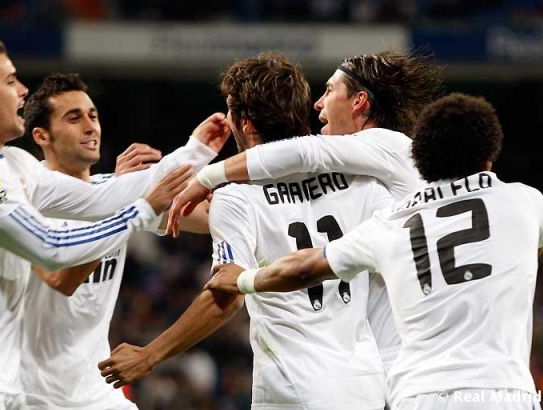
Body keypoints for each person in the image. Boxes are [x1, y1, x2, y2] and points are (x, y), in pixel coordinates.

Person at [0, 33, 226, 409]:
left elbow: (100, 196)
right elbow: (51, 246)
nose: (22, 90)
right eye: (9, 80)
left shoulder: (15, 164)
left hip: (0, 380)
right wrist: (142, 209)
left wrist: (195, 150)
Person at [206, 93, 543, 410]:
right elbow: (533, 250)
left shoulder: (391, 224)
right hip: (505, 392)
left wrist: (244, 280)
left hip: (420, 395)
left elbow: (302, 268)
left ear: (421, 160)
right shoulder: (526, 201)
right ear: (489, 156)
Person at [99, 52, 397, 409]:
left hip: (292, 387)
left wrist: (150, 354)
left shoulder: (238, 196)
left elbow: (226, 296)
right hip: (364, 385)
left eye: (230, 110)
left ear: (247, 124)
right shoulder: (361, 180)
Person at [168, 51, 443, 378]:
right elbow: (220, 214)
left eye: (329, 91)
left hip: (403, 358)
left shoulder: (389, 145)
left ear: (359, 101)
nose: (318, 103)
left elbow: (305, 151)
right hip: (375, 366)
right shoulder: (361, 180)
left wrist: (206, 176)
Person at [19, 72, 210, 410]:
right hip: (33, 394)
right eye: (74, 118)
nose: (90, 127)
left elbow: (208, 218)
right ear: (41, 135)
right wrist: (125, 206)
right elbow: (62, 282)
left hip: (96, 391)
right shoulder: (24, 198)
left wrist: (226, 180)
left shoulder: (117, 191)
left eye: (92, 116)